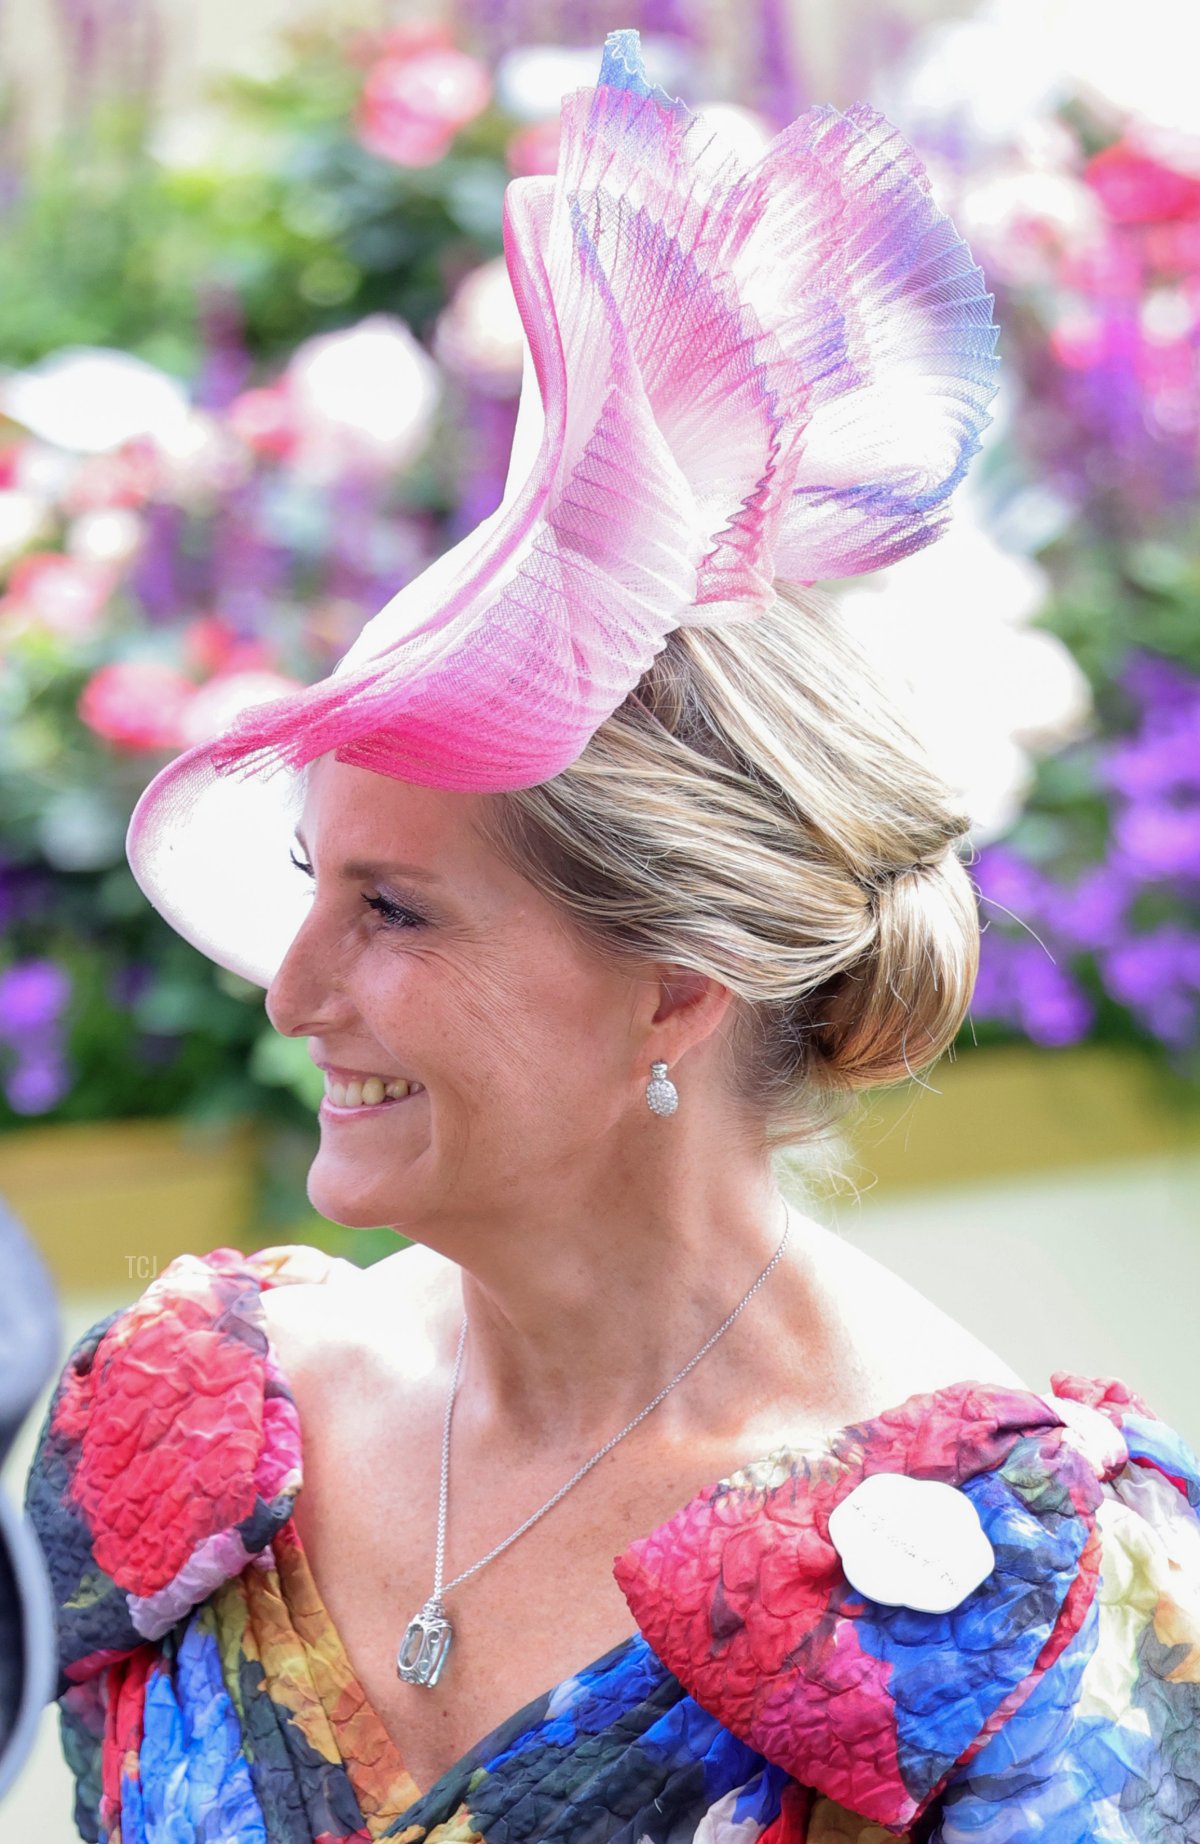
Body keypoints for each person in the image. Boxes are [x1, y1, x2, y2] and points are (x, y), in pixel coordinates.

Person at [23, 28, 1200, 1844]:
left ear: (675, 983)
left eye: (394, 910)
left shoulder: (1023, 1602)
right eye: (314, 884)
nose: (295, 986)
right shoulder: (195, 1432)